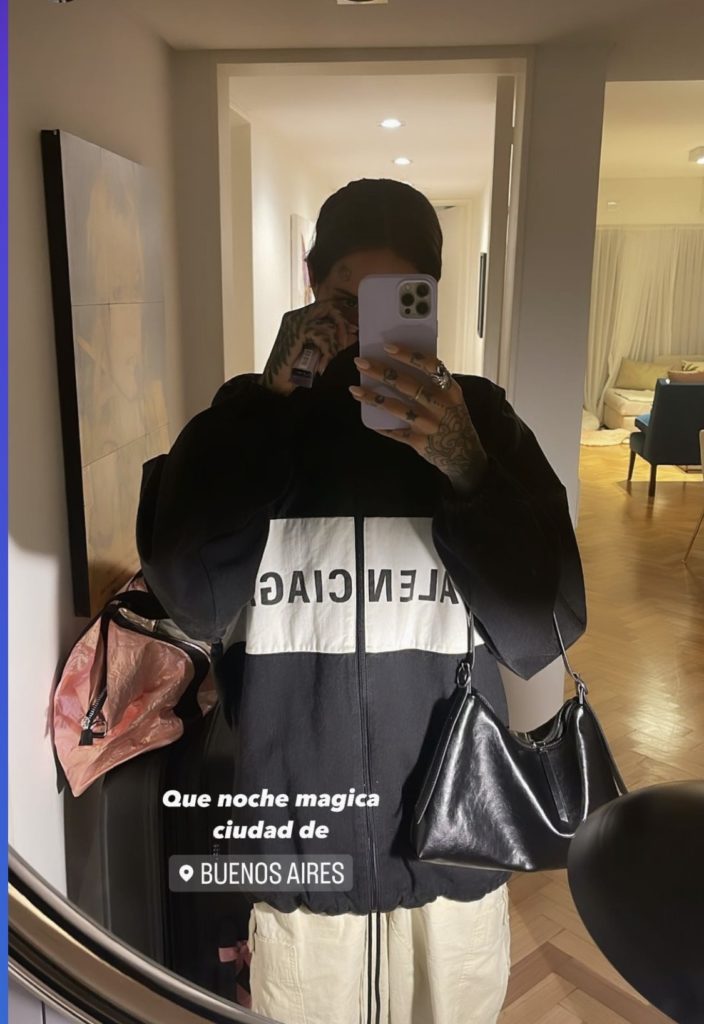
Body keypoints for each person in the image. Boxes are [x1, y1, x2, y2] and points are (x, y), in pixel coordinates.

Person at [136, 179, 587, 1024]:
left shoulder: (481, 423)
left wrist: (469, 468)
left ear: (428, 298)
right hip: (301, 842)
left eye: (395, 299)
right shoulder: (256, 424)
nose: (363, 324)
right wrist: (266, 402)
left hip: (453, 836)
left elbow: (545, 626)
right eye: (347, 298)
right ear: (310, 284)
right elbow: (189, 593)